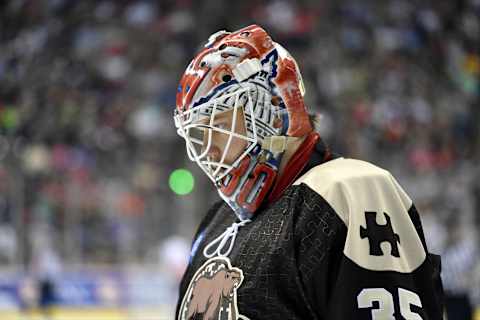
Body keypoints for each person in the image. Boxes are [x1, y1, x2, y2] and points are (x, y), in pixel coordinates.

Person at [173, 25, 444, 320]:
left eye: (221, 126)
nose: (209, 150)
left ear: (274, 107)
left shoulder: (346, 190)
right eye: (200, 135)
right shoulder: (216, 222)